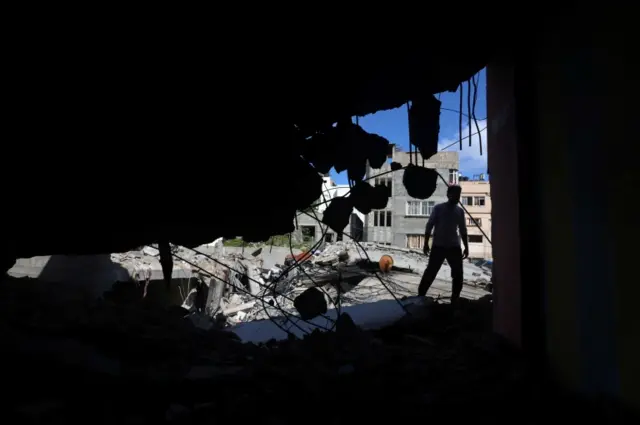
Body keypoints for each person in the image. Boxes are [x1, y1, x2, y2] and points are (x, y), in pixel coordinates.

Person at [418, 185, 469, 308]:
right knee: (431, 272)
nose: (457, 197)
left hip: (454, 247)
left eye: (458, 194)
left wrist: (466, 247)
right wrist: (425, 243)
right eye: (455, 194)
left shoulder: (459, 211)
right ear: (448, 195)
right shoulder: (438, 209)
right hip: (438, 246)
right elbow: (429, 225)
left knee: (458, 275)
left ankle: (454, 300)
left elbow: (463, 230)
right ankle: (419, 297)